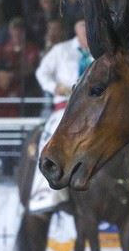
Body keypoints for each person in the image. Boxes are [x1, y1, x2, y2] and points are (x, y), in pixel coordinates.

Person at [27, 18, 91, 212]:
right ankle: (47, 192)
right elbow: (42, 73)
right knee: (49, 141)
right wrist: (55, 87)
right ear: (76, 30)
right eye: (84, 29)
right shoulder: (61, 50)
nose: (87, 33)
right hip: (65, 108)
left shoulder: (101, 50)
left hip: (94, 108)